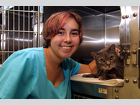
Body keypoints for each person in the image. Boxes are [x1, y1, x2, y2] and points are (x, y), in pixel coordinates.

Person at [0, 11, 116, 99]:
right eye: (61, 32)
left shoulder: (68, 64)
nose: (68, 39)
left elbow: (91, 68)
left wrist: (109, 53)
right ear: (49, 35)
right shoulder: (25, 60)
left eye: (74, 33)